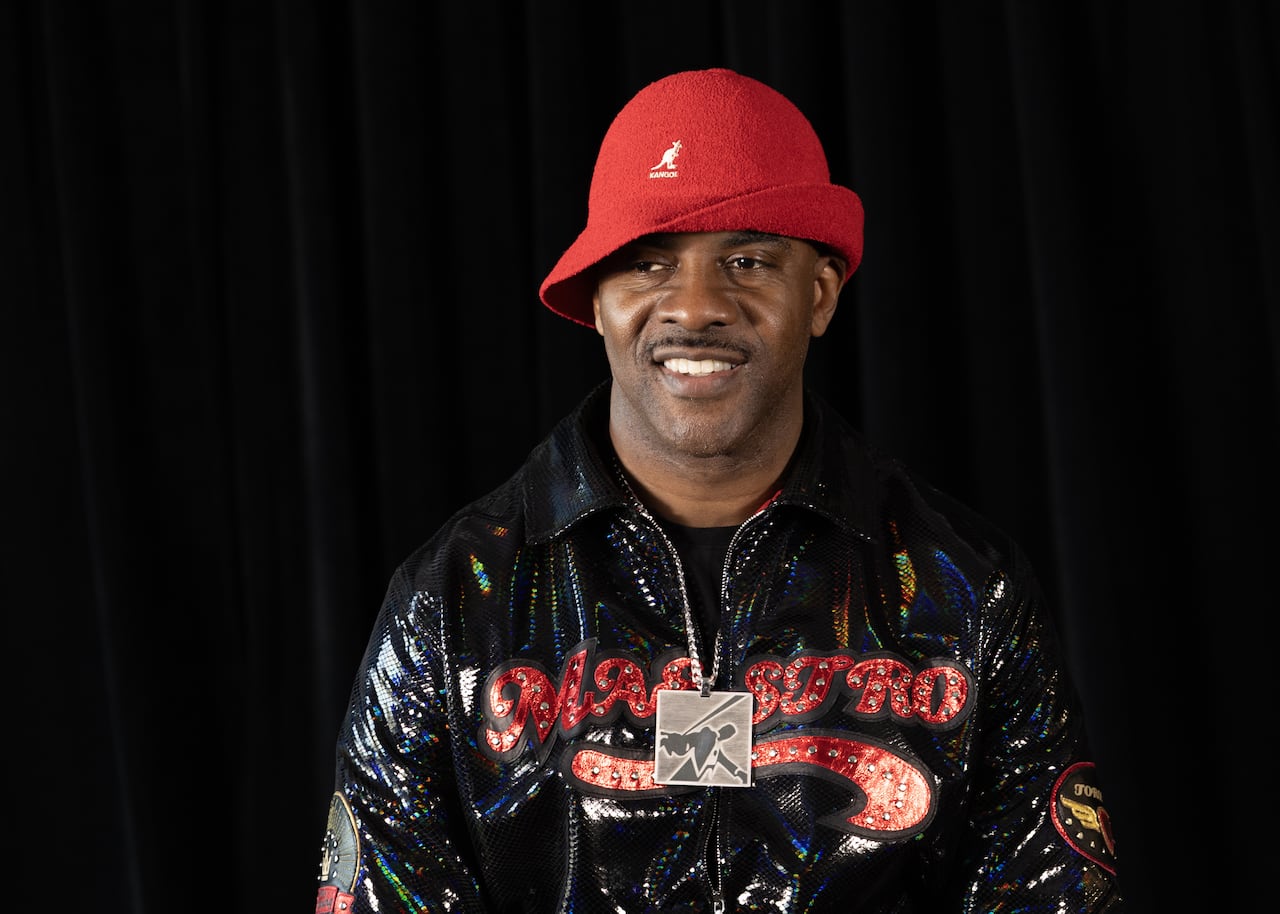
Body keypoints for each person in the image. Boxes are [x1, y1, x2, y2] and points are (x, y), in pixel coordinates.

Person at [312, 67, 1124, 913]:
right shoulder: (451, 604)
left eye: (745, 260)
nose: (694, 307)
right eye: (649, 264)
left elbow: (1052, 894)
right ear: (598, 303)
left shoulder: (967, 590)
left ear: (818, 295)